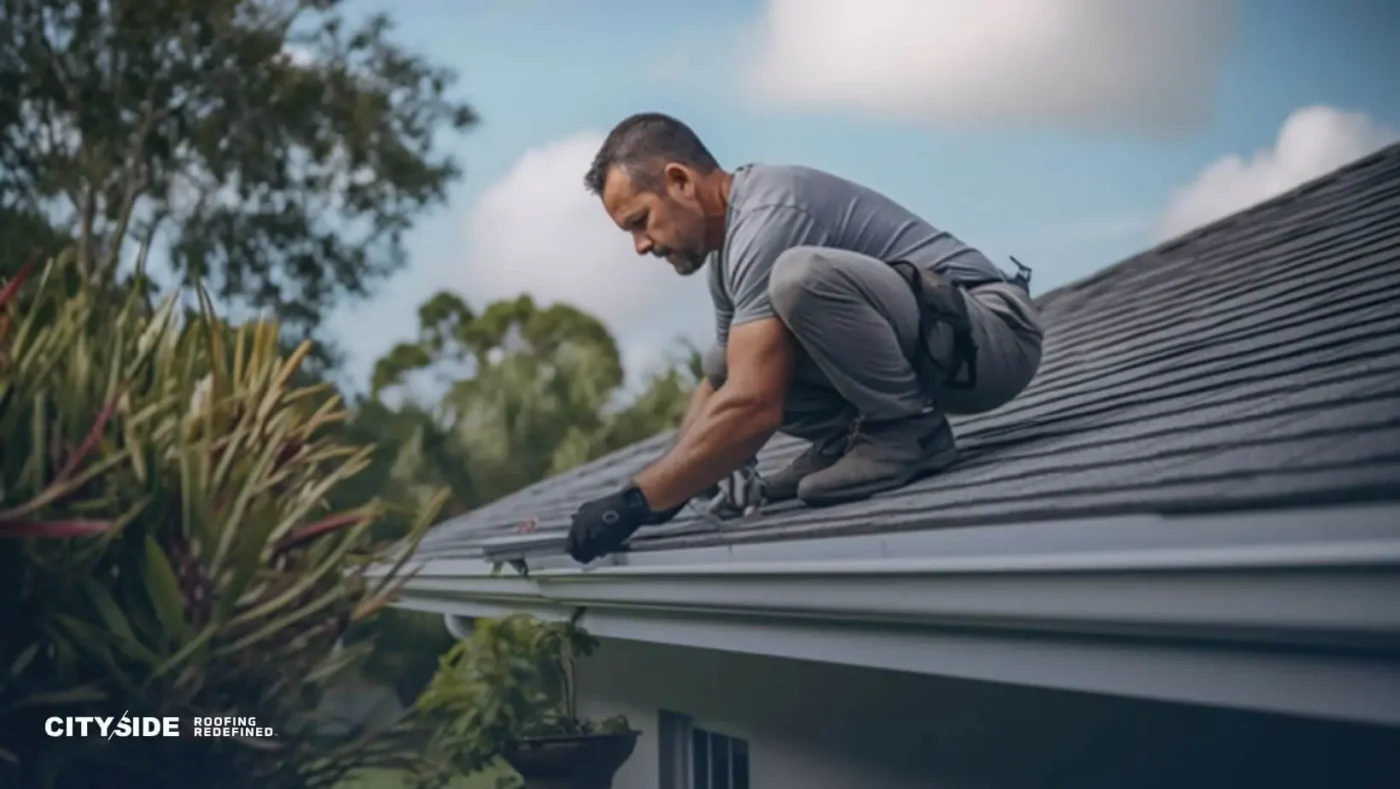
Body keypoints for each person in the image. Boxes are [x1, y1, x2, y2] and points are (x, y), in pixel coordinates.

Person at [565, 113, 1043, 564]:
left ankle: (908, 432)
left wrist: (633, 502)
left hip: (994, 339)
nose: (641, 246)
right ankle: (845, 439)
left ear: (681, 182)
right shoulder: (727, 255)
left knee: (798, 277)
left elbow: (754, 403)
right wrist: (678, 484)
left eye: (640, 222)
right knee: (724, 359)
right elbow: (724, 386)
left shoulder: (771, 214)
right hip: (940, 351)